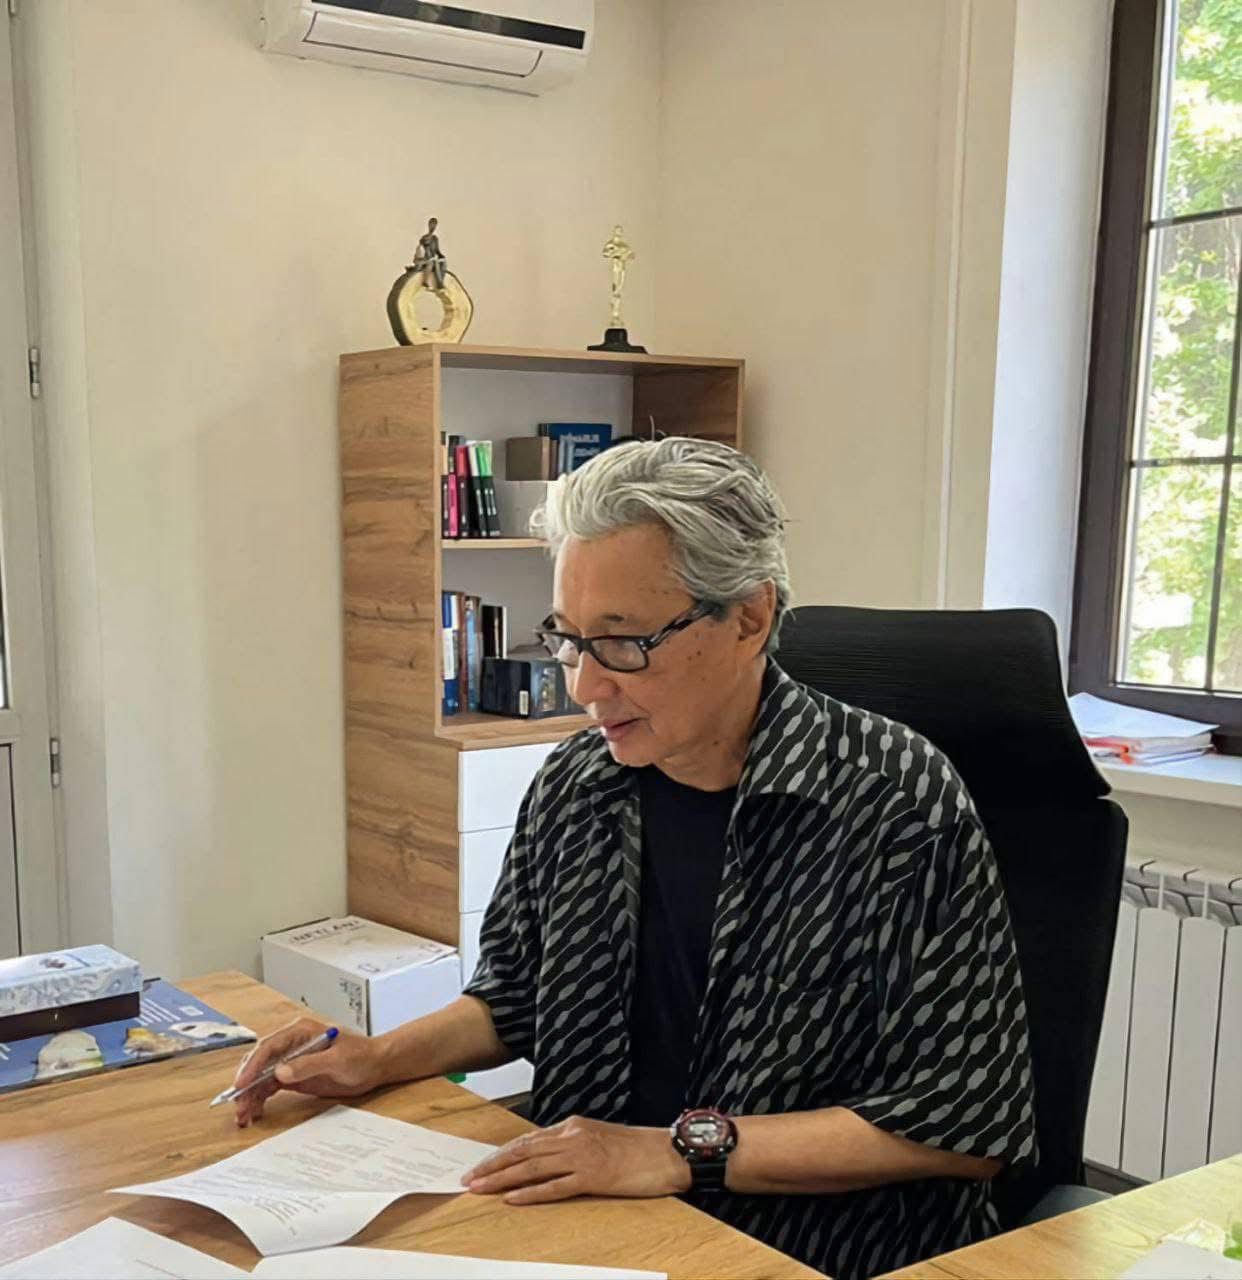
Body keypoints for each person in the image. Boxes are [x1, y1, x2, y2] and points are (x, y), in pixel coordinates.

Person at [232, 438, 1037, 1280]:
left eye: (624, 642)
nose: (585, 686)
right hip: (591, 1233)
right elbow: (511, 1000)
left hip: (811, 1249)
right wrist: (375, 1057)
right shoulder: (577, 784)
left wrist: (676, 1151)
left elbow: (963, 1128)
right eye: (569, 639)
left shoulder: (897, 804)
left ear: (749, 617)